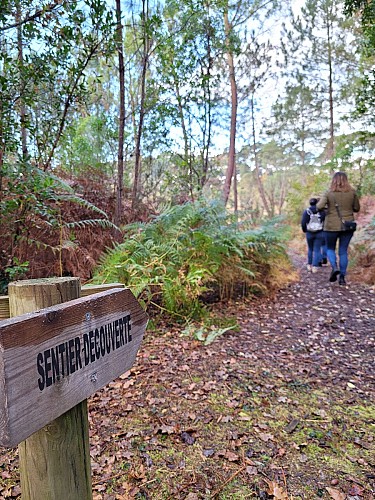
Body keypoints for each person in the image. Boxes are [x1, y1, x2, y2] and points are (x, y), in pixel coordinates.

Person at [317, 172, 360, 285]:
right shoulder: (352, 192)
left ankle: (334, 267)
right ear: (346, 180)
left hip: (331, 226)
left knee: (330, 248)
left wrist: (327, 208)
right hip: (347, 225)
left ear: (333, 180)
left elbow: (319, 206)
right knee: (343, 251)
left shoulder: (328, 193)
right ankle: (342, 277)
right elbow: (356, 208)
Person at [301, 197, 326, 273]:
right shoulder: (321, 212)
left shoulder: (307, 211)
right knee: (317, 250)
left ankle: (309, 265)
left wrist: (305, 230)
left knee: (310, 249)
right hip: (319, 232)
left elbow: (303, 222)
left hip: (309, 232)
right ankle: (315, 266)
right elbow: (324, 222)